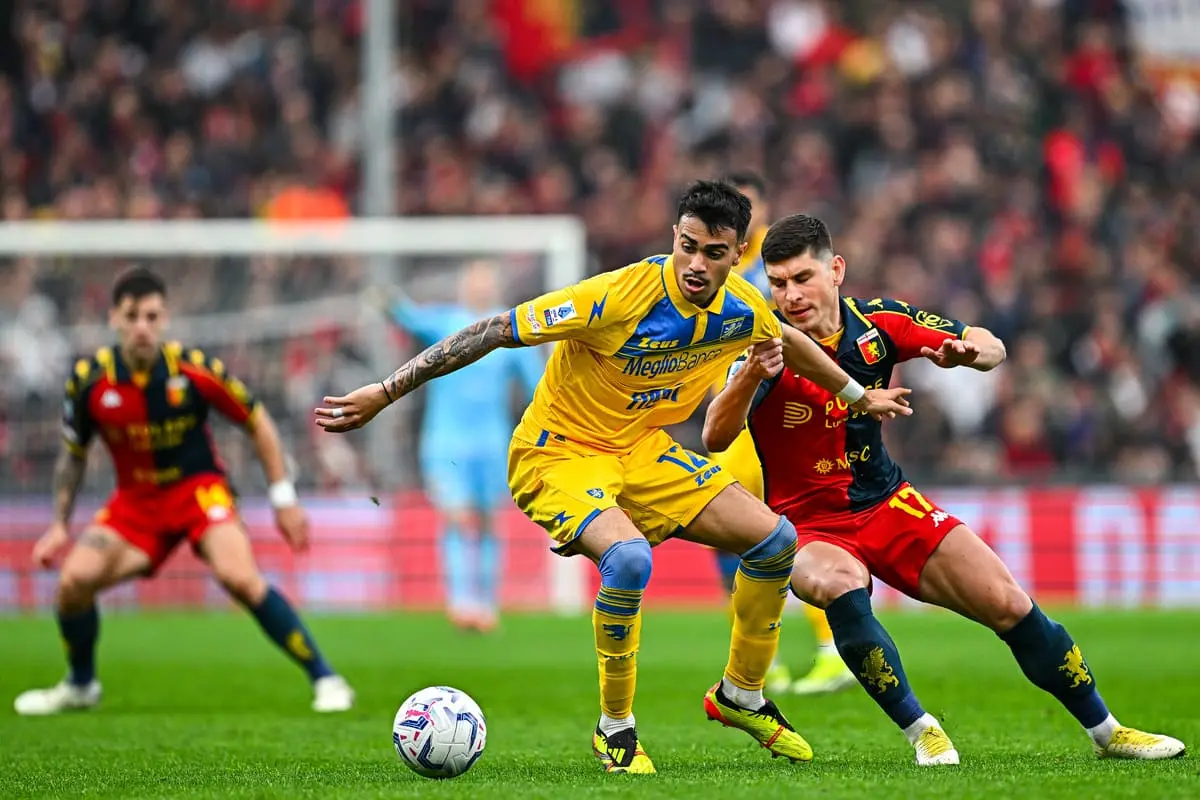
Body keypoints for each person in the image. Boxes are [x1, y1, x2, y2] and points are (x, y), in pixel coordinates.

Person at [315, 180, 914, 774]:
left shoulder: (742, 306)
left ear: (738, 255)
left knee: (776, 539)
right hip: (557, 453)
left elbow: (786, 340)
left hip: (639, 450)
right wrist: (386, 391)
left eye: (713, 253)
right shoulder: (616, 296)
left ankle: (742, 694)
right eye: (687, 246)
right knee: (628, 560)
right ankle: (616, 729)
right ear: (674, 237)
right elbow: (495, 330)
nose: (695, 264)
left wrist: (858, 396)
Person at [703, 213, 1187, 765]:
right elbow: (715, 435)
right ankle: (923, 730)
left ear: (835, 270)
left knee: (1008, 602)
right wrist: (749, 374)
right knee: (838, 583)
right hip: (809, 524)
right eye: (778, 283)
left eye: (802, 278)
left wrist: (972, 353)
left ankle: (1108, 731)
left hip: (888, 503)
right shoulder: (763, 345)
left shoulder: (878, 324)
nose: (790, 296)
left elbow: (987, 343)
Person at [14, 268, 354, 716]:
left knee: (240, 577)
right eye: (132, 316)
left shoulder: (194, 370)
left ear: (165, 319)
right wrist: (59, 525)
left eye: (151, 316)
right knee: (72, 583)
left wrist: (284, 500)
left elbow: (257, 422)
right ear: (113, 318)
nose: (142, 327)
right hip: (135, 504)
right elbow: (73, 455)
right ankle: (80, 686)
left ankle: (326, 677)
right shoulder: (88, 381)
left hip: (199, 493)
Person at [710, 172, 854, 696]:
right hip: (732, 419)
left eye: (747, 209)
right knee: (733, 539)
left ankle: (833, 649)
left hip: (770, 419)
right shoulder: (717, 268)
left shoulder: (774, 271)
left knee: (790, 531)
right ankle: (760, 661)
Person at [377, 260, 543, 631]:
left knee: (487, 522)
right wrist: (385, 298)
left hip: (491, 443)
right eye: (474, 281)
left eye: (485, 282)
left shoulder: (508, 330)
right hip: (446, 441)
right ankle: (460, 602)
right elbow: (409, 318)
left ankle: (486, 605)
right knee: (455, 517)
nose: (479, 288)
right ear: (463, 286)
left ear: (495, 287)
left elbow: (538, 384)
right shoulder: (447, 323)